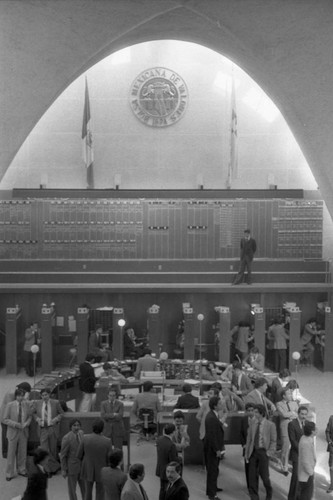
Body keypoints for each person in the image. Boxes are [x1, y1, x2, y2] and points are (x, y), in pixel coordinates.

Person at [245, 404, 277, 500]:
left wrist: (269, 453)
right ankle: (254, 497)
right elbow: (249, 439)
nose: (254, 414)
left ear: (261, 413)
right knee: (252, 476)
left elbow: (273, 441)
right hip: (253, 452)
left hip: (263, 452)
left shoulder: (270, 425)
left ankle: (269, 492)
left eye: (256, 412)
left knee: (265, 476)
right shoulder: (253, 423)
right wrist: (247, 454)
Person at [77, 418, 112, 500]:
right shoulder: (107, 441)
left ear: (92, 427)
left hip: (87, 468)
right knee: (100, 492)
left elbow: (78, 455)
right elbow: (110, 459)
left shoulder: (85, 438)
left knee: (87, 492)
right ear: (103, 428)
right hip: (102, 470)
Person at [3, 387, 32, 481]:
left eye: (22, 396)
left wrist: (27, 423)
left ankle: (22, 470)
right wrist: (15, 424)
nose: (20, 398)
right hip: (13, 431)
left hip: (23, 431)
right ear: (16, 396)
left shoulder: (26, 404)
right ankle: (9, 473)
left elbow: (30, 416)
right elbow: (5, 419)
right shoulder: (10, 405)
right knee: (11, 453)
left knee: (22, 452)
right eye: (19, 396)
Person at [33, 387, 63, 474]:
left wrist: (56, 419)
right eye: (42, 395)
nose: (44, 396)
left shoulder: (56, 402)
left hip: (52, 428)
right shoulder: (37, 403)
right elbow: (33, 413)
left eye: (46, 394)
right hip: (42, 429)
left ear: (49, 395)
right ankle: (47, 469)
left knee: (53, 450)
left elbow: (61, 413)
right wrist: (37, 419)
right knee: (44, 450)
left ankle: (53, 468)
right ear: (40, 396)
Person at [0, 381, 31, 459]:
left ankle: (11, 451)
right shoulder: (11, 394)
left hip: (11, 417)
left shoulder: (17, 392)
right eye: (25, 391)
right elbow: (13, 405)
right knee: (6, 435)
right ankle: (5, 452)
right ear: (22, 389)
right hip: (5, 417)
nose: (25, 393)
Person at [204, 396, 225, 500]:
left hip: (214, 447)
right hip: (212, 449)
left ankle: (213, 488)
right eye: (220, 403)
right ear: (215, 405)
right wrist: (217, 449)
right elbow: (212, 436)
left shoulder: (214, 415)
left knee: (215, 470)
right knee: (212, 471)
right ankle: (212, 494)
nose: (222, 404)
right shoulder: (211, 418)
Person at [60, 417, 85, 500]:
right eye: (74, 425)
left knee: (84, 489)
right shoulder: (66, 438)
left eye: (78, 425)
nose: (76, 427)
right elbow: (63, 455)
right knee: (72, 490)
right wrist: (63, 469)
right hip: (72, 467)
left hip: (82, 467)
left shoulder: (81, 434)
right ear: (70, 427)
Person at [287, 404, 309, 500]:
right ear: (298, 413)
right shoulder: (292, 424)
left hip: (306, 456)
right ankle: (291, 497)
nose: (303, 416)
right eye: (302, 414)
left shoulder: (307, 424)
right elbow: (292, 440)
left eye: (305, 414)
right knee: (295, 477)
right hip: (297, 454)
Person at [276, 388, 298, 475]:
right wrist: (293, 414)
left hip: (294, 428)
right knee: (285, 447)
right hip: (285, 427)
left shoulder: (295, 403)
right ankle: (284, 467)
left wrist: (291, 414)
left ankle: (292, 464)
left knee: (294, 446)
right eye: (288, 394)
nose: (290, 395)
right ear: (283, 396)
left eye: (290, 393)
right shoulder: (279, 404)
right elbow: (283, 415)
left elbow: (297, 414)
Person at [156, 423, 179, 500]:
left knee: (162, 489)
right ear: (172, 432)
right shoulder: (171, 445)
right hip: (169, 472)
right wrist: (180, 459)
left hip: (161, 469)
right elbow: (173, 461)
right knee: (169, 491)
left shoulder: (159, 440)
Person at [298, 420, 316, 500]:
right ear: (312, 431)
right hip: (306, 475)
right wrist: (311, 472)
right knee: (306, 496)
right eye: (315, 429)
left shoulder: (305, 438)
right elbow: (305, 461)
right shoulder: (306, 443)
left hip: (306, 473)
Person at [240, 402, 255, 493]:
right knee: (248, 468)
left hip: (255, 449)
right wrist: (243, 444)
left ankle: (254, 486)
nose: (250, 412)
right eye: (248, 410)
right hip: (246, 448)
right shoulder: (244, 419)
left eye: (252, 410)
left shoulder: (258, 420)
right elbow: (241, 433)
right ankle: (250, 487)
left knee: (254, 469)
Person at [325, 414, 333, 493]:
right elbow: (327, 431)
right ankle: (332, 484)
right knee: (331, 467)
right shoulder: (331, 418)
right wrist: (329, 441)